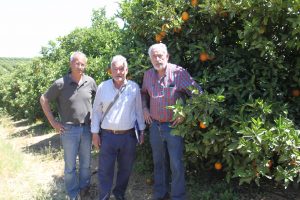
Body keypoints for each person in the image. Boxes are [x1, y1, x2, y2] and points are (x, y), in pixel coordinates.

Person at [141, 43, 202, 200]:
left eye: (160, 55)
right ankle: (160, 194)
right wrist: (145, 109)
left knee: (176, 164)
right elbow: (143, 94)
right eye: (154, 56)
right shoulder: (148, 75)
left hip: (173, 127)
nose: (157, 58)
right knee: (158, 163)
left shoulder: (178, 73)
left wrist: (185, 113)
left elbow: (198, 94)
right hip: (155, 126)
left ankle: (178, 196)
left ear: (167, 56)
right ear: (150, 59)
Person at [40, 51, 97, 200]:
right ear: (70, 64)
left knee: (86, 164)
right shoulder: (61, 83)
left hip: (86, 129)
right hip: (69, 130)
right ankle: (73, 194)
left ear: (86, 65)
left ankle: (84, 189)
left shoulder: (90, 82)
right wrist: (53, 122)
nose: (79, 66)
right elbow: (44, 99)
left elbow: (99, 102)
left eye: (82, 64)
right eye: (76, 63)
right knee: (70, 166)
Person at [91, 55, 146, 200]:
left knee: (126, 169)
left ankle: (119, 194)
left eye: (121, 69)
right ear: (111, 71)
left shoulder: (134, 87)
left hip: (128, 137)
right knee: (105, 170)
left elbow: (139, 111)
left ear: (126, 70)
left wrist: (141, 131)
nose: (118, 72)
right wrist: (95, 133)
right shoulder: (103, 87)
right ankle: (104, 196)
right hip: (108, 136)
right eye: (115, 69)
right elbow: (96, 111)